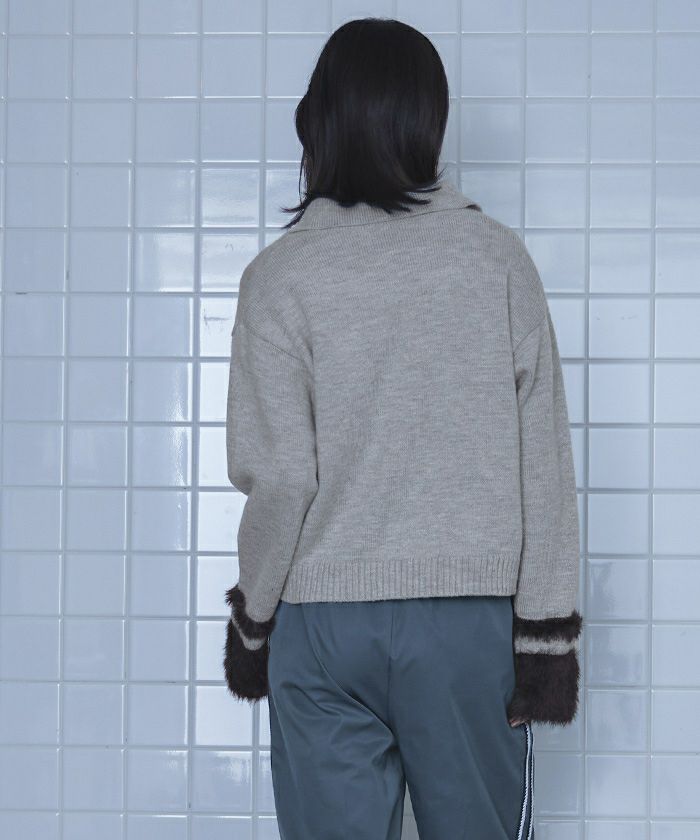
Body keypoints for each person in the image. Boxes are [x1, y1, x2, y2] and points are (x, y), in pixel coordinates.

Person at [223, 16, 582, 840]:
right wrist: (545, 638)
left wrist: (254, 623)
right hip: (463, 626)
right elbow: (544, 467)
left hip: (322, 623)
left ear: (318, 121)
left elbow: (282, 478)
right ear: (428, 122)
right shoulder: (496, 261)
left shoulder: (278, 277)